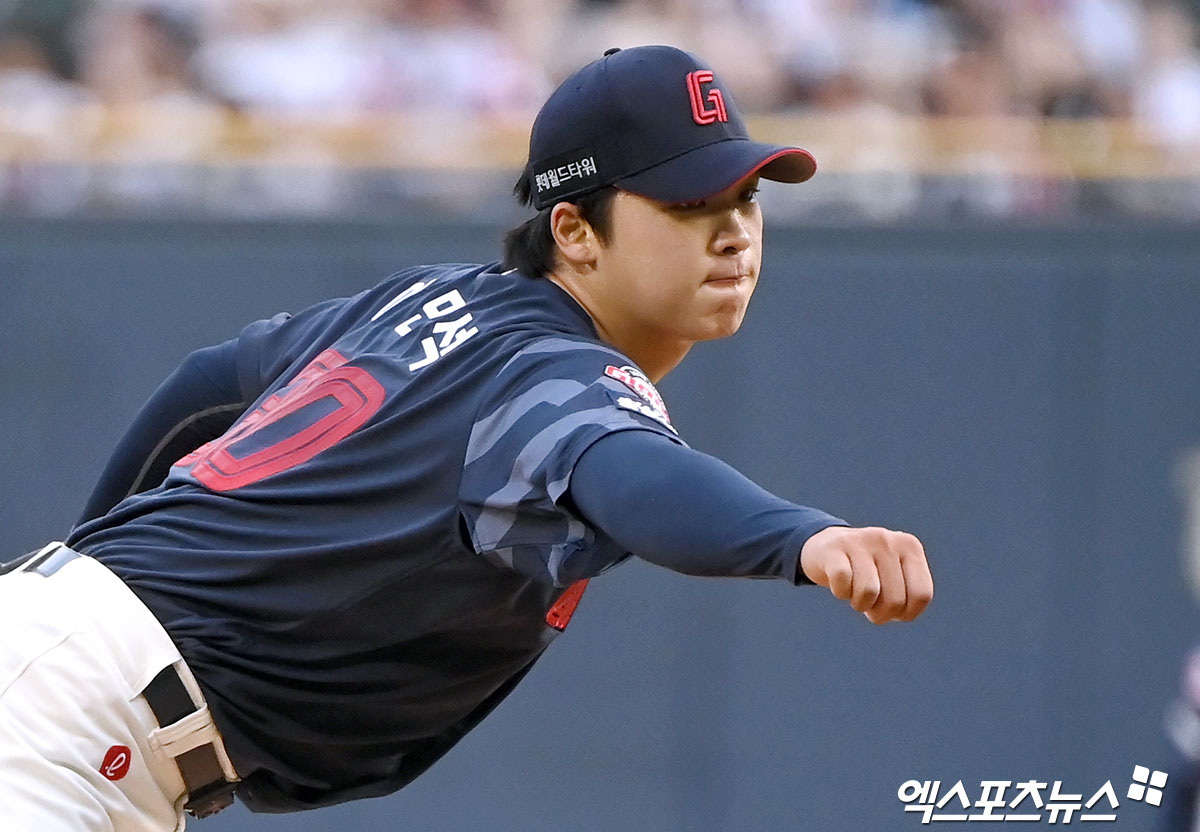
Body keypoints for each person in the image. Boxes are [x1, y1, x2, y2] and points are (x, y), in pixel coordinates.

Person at [0, 44, 933, 830]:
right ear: (575, 229)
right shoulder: (553, 373)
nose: (733, 233)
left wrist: (92, 569)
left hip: (66, 684)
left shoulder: (428, 299)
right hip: (69, 732)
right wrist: (802, 538)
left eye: (746, 199)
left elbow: (211, 381)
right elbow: (634, 473)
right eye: (690, 205)